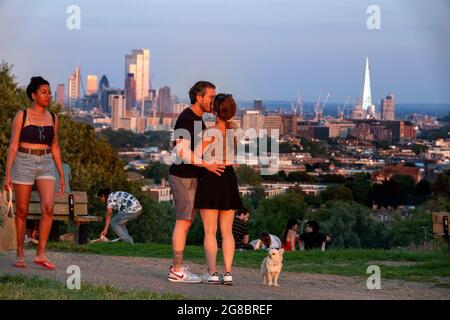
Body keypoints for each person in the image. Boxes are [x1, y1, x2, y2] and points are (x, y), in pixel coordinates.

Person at [2, 76, 65, 270]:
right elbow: (13, 145)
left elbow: (55, 146)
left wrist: (61, 174)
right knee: (22, 211)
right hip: (24, 161)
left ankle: (40, 254)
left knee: (48, 208)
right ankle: (20, 254)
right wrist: (8, 174)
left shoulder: (53, 118)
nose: (48, 96)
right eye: (44, 92)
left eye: (49, 92)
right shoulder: (22, 115)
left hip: (46, 163)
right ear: (33, 95)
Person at [167, 81, 226, 283]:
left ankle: (179, 266)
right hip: (182, 177)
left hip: (190, 177)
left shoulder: (197, 119)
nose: (213, 100)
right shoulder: (187, 118)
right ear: (198, 97)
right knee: (183, 222)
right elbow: (183, 152)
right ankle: (176, 269)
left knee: (186, 222)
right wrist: (207, 165)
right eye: (211, 96)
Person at [194, 94, 244, 285]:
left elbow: (196, 157)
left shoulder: (209, 133)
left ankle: (213, 273)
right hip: (229, 178)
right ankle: (228, 272)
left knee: (209, 231)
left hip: (211, 177)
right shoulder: (234, 132)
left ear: (215, 110)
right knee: (227, 232)